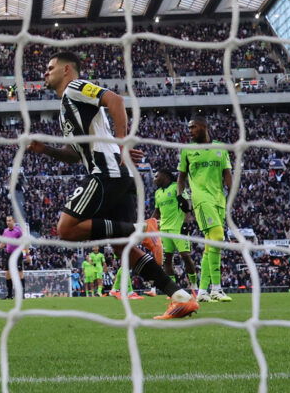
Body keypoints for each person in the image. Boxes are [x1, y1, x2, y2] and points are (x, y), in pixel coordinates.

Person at [28, 51, 197, 320]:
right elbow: (74, 155)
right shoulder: (68, 108)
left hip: (107, 172)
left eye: (50, 68)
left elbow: (115, 100)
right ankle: (181, 297)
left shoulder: (75, 87)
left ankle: (143, 229)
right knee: (123, 249)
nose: (45, 73)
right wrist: (45, 149)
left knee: (66, 229)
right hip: (118, 174)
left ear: (67, 70)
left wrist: (121, 144)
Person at [177, 114, 233, 303]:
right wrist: (181, 196)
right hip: (201, 198)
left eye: (193, 127)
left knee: (211, 244)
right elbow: (181, 177)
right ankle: (216, 288)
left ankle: (202, 291)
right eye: (189, 128)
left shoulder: (220, 148)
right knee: (218, 237)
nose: (190, 131)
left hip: (219, 199)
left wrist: (232, 192)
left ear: (204, 127)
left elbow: (227, 173)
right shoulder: (187, 150)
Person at [151, 169, 198, 293]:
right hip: (164, 229)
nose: (154, 179)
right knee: (167, 259)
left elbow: (187, 203)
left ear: (165, 175)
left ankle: (194, 285)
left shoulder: (177, 187)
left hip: (178, 228)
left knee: (185, 256)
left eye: (156, 176)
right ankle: (173, 290)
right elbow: (157, 212)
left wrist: (186, 222)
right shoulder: (157, 193)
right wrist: (148, 224)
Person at [0, 215, 24, 299]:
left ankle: (22, 294)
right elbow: (3, 242)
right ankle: (9, 295)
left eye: (9, 220)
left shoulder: (19, 230)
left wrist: (26, 254)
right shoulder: (5, 231)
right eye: (7, 221)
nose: (8, 222)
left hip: (17, 254)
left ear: (13, 221)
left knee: (19, 273)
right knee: (7, 274)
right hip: (8, 254)